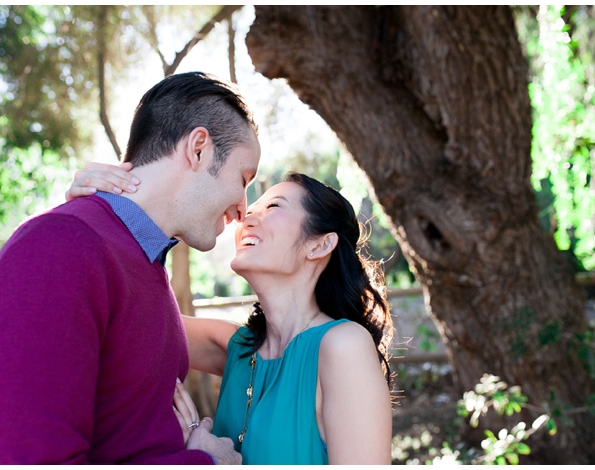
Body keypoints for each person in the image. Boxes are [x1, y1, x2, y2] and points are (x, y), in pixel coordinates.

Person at [0, 71, 261, 464]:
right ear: (199, 149)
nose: (243, 208)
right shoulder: (59, 248)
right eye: (243, 178)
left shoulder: (140, 266)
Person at [68, 167, 394, 464]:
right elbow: (110, 312)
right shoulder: (237, 348)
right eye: (250, 211)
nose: (246, 220)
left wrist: (205, 460)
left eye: (274, 207)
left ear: (320, 245)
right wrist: (92, 211)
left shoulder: (343, 346)